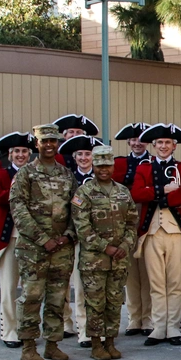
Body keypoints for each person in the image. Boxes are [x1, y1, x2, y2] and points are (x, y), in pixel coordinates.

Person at [9, 124, 78, 360]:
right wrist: (42, 239)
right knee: (31, 296)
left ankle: (52, 344)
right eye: (44, 141)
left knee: (58, 297)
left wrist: (68, 235)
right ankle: (28, 347)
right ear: (36, 145)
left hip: (62, 248)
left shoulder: (66, 174)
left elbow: (76, 209)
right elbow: (18, 209)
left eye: (53, 141)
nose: (49, 145)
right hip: (33, 249)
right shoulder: (25, 174)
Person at [71, 146, 139, 360]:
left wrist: (125, 246)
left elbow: (132, 222)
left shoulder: (122, 191)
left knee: (114, 300)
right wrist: (105, 247)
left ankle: (110, 341)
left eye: (107, 165)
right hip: (94, 260)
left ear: (113, 166)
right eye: (99, 165)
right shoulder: (83, 192)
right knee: (94, 302)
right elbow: (82, 227)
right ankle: (95, 343)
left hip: (119, 258)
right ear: (93, 166)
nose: (103, 170)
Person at [131, 123, 181, 346]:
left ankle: (174, 327)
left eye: (168, 142)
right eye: (160, 143)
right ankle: (158, 327)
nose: (164, 146)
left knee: (175, 282)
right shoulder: (144, 168)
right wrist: (163, 191)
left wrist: (156, 196)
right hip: (152, 232)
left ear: (174, 146)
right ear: (153, 145)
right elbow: (137, 193)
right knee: (156, 282)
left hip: (176, 231)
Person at [0, 131, 37, 348]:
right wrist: (19, 191)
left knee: (31, 289)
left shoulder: (37, 174)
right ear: (9, 155)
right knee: (8, 287)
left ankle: (28, 330)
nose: (20, 155)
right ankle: (9, 331)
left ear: (29, 154)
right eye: (16, 151)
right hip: (9, 238)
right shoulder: (0, 175)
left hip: (33, 239)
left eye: (24, 151)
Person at [57, 134, 103, 348]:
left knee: (98, 287)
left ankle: (98, 328)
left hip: (99, 241)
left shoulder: (102, 180)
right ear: (74, 157)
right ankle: (84, 329)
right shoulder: (68, 180)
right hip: (75, 239)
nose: (84, 158)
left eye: (88, 154)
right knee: (80, 287)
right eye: (80, 154)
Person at [112, 122, 153, 337]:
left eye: (141, 139)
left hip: (147, 215)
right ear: (128, 142)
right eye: (134, 139)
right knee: (129, 271)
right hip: (124, 218)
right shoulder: (119, 163)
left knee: (147, 270)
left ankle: (148, 318)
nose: (137, 143)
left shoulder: (154, 162)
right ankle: (134, 318)